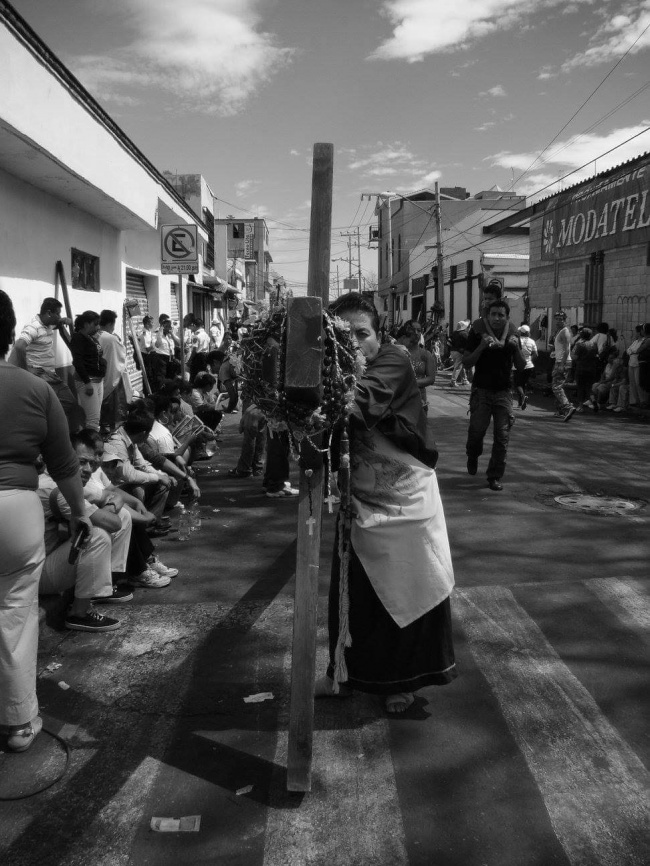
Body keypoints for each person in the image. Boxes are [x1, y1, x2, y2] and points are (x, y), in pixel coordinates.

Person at [316, 293, 456, 714]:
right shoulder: (334, 371)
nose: (356, 344)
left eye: (363, 334)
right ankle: (341, 673)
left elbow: (357, 403)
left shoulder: (393, 360)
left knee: (409, 591)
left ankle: (405, 681)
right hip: (359, 500)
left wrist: (304, 396)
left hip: (407, 505)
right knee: (354, 593)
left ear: (380, 336)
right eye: (345, 336)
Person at [0, 289, 89, 753]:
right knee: (15, 612)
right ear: (9, 334)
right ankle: (18, 723)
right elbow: (65, 464)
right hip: (15, 510)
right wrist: (80, 513)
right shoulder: (34, 389)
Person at [37, 433, 134, 631]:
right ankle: (79, 613)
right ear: (63, 459)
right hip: (35, 575)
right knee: (96, 534)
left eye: (91, 463)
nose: (88, 470)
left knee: (122, 515)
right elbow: (113, 523)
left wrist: (111, 506)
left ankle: (104, 588)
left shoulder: (65, 482)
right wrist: (108, 509)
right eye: (81, 462)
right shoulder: (56, 489)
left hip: (48, 561)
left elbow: (113, 495)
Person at [463, 299, 526, 491]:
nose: (497, 318)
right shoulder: (477, 333)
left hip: (504, 392)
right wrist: (482, 346)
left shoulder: (513, 336)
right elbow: (466, 362)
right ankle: (473, 455)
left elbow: (522, 365)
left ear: (507, 318)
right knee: (476, 433)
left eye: (501, 315)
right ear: (487, 316)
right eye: (493, 314)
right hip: (481, 391)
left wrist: (515, 348)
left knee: (502, 436)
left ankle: (494, 476)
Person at [10, 296, 81, 431]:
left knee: (68, 402)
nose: (59, 316)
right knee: (66, 401)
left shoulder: (47, 325)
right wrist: (26, 371)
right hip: (40, 374)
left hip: (50, 374)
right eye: (57, 313)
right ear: (49, 313)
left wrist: (63, 320)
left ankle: (44, 423)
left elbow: (56, 323)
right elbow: (19, 346)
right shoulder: (33, 327)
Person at [97, 310, 132, 433]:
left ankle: (102, 428)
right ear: (111, 323)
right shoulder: (111, 338)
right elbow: (122, 355)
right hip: (112, 376)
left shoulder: (94, 335)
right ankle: (112, 431)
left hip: (97, 377)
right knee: (114, 410)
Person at [396, 320, 436, 412]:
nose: (416, 333)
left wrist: (411, 383)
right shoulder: (397, 351)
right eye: (413, 330)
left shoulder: (425, 354)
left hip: (419, 401)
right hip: (399, 401)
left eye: (419, 330)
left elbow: (431, 378)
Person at [550, 311, 576, 421]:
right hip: (559, 360)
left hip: (562, 362)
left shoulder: (565, 332)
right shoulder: (560, 331)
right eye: (557, 318)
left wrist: (561, 364)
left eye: (561, 319)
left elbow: (566, 349)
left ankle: (567, 406)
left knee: (556, 387)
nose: (558, 321)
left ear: (565, 320)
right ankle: (560, 410)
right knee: (558, 385)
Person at [573, 328, 599, 411]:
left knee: (580, 387)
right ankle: (593, 400)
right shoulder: (594, 344)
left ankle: (580, 406)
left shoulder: (580, 344)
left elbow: (575, 357)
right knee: (589, 387)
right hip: (591, 368)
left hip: (581, 368)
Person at [588, 347, 621, 412]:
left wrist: (603, 382)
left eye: (611, 358)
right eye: (609, 358)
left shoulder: (615, 366)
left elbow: (612, 377)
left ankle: (598, 403)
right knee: (594, 385)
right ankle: (591, 401)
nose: (609, 359)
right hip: (605, 381)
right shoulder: (607, 365)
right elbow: (603, 374)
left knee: (600, 387)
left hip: (610, 382)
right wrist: (601, 381)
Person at [514, 324, 538, 409]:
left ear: (521, 332)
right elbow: (535, 354)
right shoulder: (532, 341)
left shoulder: (517, 340)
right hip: (529, 365)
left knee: (517, 383)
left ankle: (523, 396)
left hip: (518, 365)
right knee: (523, 383)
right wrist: (529, 360)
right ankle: (520, 402)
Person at [152, 316, 176, 390]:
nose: (169, 328)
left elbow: (179, 343)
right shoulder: (156, 334)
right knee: (161, 378)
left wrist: (172, 334)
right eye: (166, 326)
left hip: (171, 359)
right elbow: (158, 344)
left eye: (169, 326)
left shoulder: (169, 335)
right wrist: (160, 332)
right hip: (161, 359)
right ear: (162, 325)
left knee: (171, 378)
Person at [626, 324, 646, 409]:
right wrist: (632, 351)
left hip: (637, 364)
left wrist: (632, 351)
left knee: (638, 383)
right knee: (632, 382)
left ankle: (642, 400)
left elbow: (636, 350)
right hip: (631, 363)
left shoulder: (644, 341)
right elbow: (628, 350)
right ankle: (633, 401)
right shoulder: (636, 341)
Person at [448, 321, 471, 387]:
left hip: (452, 351)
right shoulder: (464, 334)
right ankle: (453, 381)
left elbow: (448, 343)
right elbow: (469, 342)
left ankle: (464, 380)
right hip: (460, 352)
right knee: (458, 367)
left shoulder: (453, 333)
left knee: (460, 366)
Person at [137, 315, 155, 389]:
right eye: (152, 322)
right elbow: (148, 349)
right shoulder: (145, 333)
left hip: (148, 355)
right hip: (145, 356)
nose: (153, 324)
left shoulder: (149, 332)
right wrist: (155, 345)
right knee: (147, 375)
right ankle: (146, 392)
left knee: (150, 375)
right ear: (147, 324)